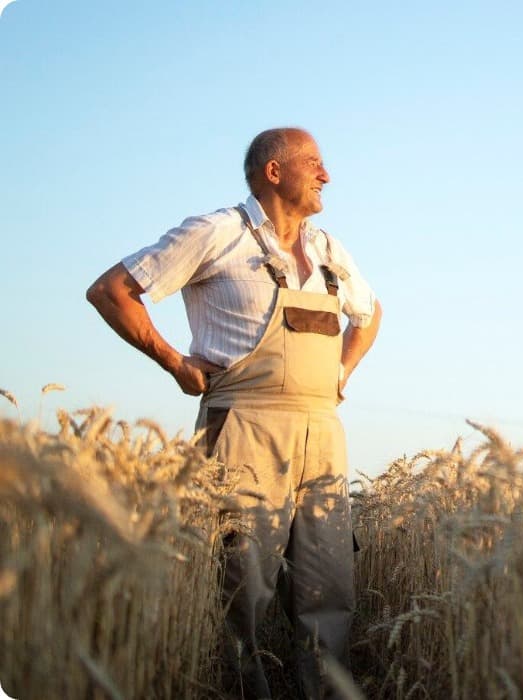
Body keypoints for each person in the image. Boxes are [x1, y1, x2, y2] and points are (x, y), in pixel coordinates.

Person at [86, 127, 382, 699]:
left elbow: (369, 315)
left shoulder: (328, 251)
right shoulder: (217, 232)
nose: (327, 176)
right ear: (275, 172)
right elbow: (112, 290)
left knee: (329, 589)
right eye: (315, 164)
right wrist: (174, 361)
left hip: (323, 434)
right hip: (243, 426)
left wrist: (341, 374)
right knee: (238, 585)